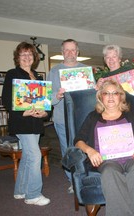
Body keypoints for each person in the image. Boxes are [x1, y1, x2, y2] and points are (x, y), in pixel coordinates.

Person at [74, 79, 134, 216]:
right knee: (109, 172)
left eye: (115, 93)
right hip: (106, 161)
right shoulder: (92, 117)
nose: (110, 97)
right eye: (106, 93)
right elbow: (78, 140)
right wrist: (90, 150)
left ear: (121, 96)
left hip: (133, 157)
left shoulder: (131, 115)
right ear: (100, 96)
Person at [2, 42, 50, 206]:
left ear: (34, 58)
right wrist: (23, 112)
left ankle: (20, 191)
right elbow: (7, 100)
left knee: (28, 157)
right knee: (35, 155)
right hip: (21, 121)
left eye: (30, 54)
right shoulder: (12, 74)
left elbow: (45, 103)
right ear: (18, 57)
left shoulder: (37, 76)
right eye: (23, 54)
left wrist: (45, 113)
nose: (27, 57)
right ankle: (33, 195)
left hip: (35, 123)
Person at [47, 39, 88, 193]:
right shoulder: (53, 71)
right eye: (67, 50)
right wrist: (57, 96)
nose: (70, 53)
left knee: (84, 149)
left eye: (73, 50)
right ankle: (72, 181)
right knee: (67, 150)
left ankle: (85, 178)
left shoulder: (86, 70)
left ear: (77, 52)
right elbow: (48, 99)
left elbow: (92, 95)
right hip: (61, 119)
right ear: (62, 52)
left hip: (82, 118)